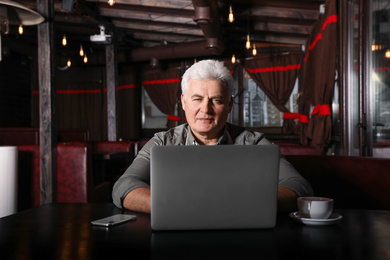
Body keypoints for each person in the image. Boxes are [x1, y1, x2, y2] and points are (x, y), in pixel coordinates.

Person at [112, 59, 313, 214]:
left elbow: (298, 186)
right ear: (183, 102)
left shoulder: (254, 143)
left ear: (230, 105)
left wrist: (237, 205)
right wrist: (172, 205)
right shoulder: (162, 142)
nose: (205, 109)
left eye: (216, 100)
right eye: (197, 99)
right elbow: (124, 185)